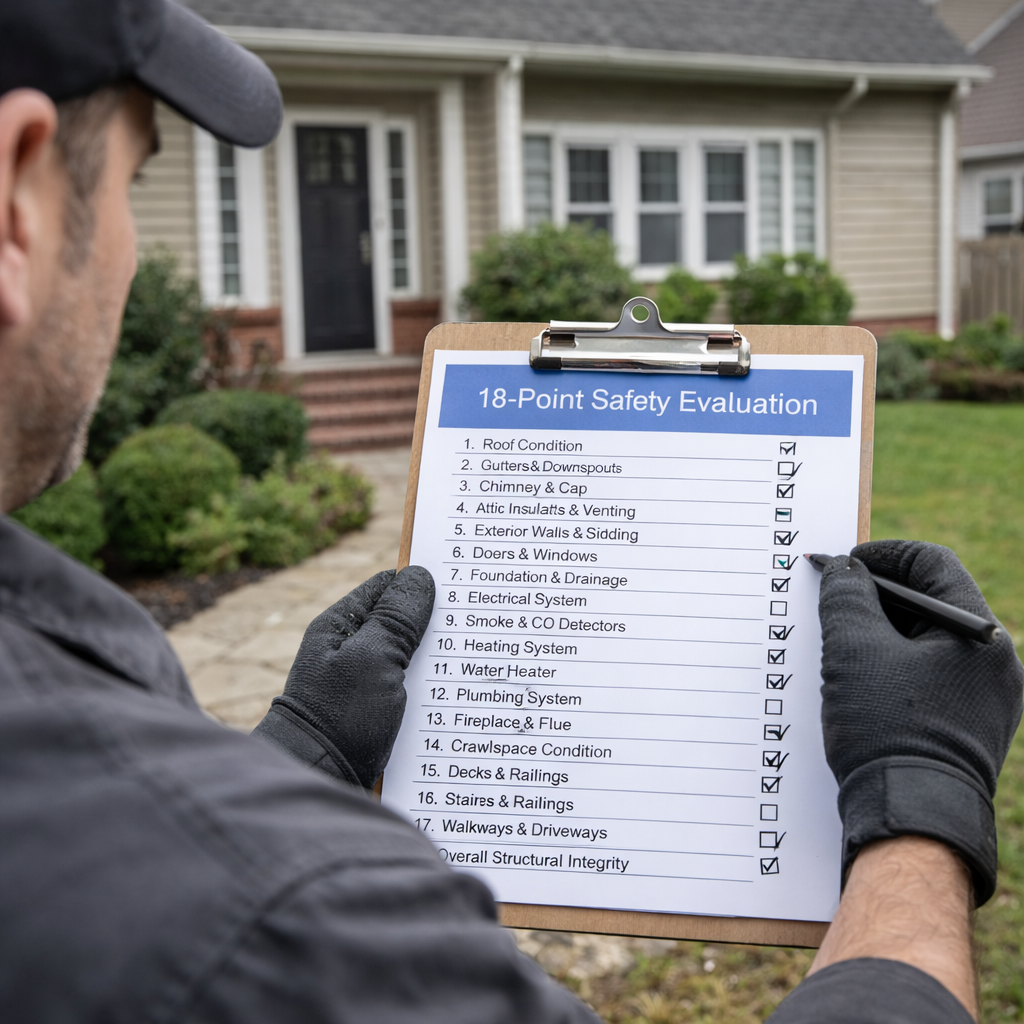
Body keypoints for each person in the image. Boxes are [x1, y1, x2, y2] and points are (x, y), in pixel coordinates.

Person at [0, 2, 1020, 1021]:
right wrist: (916, 802)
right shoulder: (278, 927)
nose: (134, 256)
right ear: (18, 197)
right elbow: (190, 892)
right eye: (134, 181)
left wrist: (297, 759)